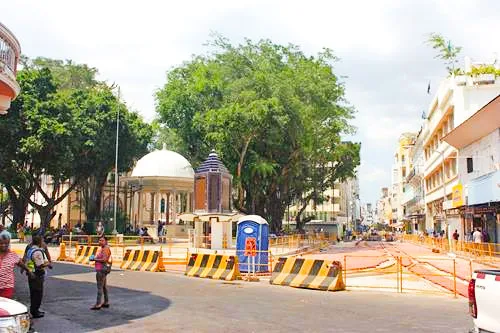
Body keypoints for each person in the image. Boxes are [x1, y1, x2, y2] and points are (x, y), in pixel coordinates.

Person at [0, 231, 34, 299]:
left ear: (9, 243)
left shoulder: (13, 255)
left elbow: (21, 264)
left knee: (4, 307)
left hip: (7, 286)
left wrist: (29, 271)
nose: (4, 245)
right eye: (1, 243)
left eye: (6, 243)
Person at [25, 235, 50, 318]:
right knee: (37, 294)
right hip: (37, 275)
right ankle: (35, 311)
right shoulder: (37, 251)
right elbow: (40, 265)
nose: (43, 243)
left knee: (33, 293)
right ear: (40, 242)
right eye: (42, 241)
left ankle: (34, 310)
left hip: (31, 273)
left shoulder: (30, 249)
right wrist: (48, 263)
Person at [90, 236, 112, 310]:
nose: (100, 242)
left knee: (100, 287)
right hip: (101, 269)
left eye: (102, 240)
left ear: (106, 241)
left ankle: (98, 304)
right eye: (99, 240)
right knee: (104, 286)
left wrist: (95, 259)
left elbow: (104, 259)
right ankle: (106, 302)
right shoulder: (101, 248)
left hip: (102, 269)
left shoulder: (106, 248)